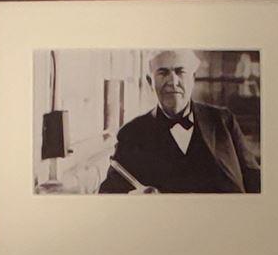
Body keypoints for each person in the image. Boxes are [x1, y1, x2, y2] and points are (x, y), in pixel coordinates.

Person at [98, 50, 261, 194]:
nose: (173, 81)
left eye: (180, 71)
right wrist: (134, 199)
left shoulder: (223, 120)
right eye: (163, 73)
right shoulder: (132, 134)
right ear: (149, 81)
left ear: (193, 78)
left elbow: (254, 179)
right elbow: (108, 195)